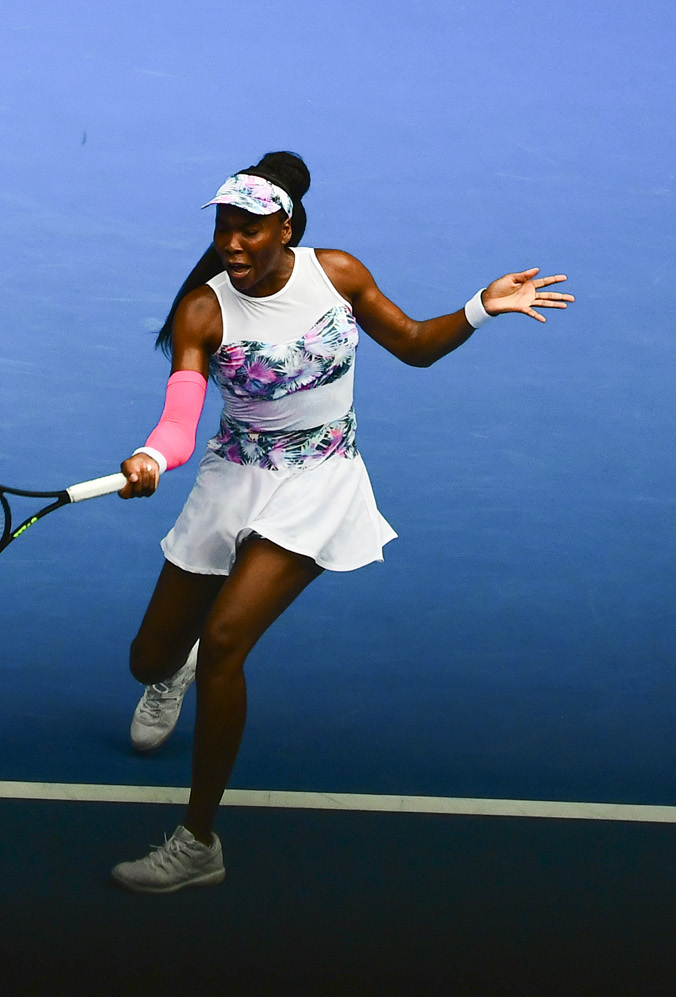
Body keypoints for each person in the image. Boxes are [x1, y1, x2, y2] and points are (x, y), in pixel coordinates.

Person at [107, 152, 574, 893]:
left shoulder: (338, 274)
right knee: (148, 659)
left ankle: (198, 842)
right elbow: (179, 420)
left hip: (319, 479)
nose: (232, 243)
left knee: (226, 643)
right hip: (235, 475)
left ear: (285, 229)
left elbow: (414, 345)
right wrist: (151, 457)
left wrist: (480, 307)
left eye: (249, 229)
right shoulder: (203, 309)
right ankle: (174, 670)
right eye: (225, 228)